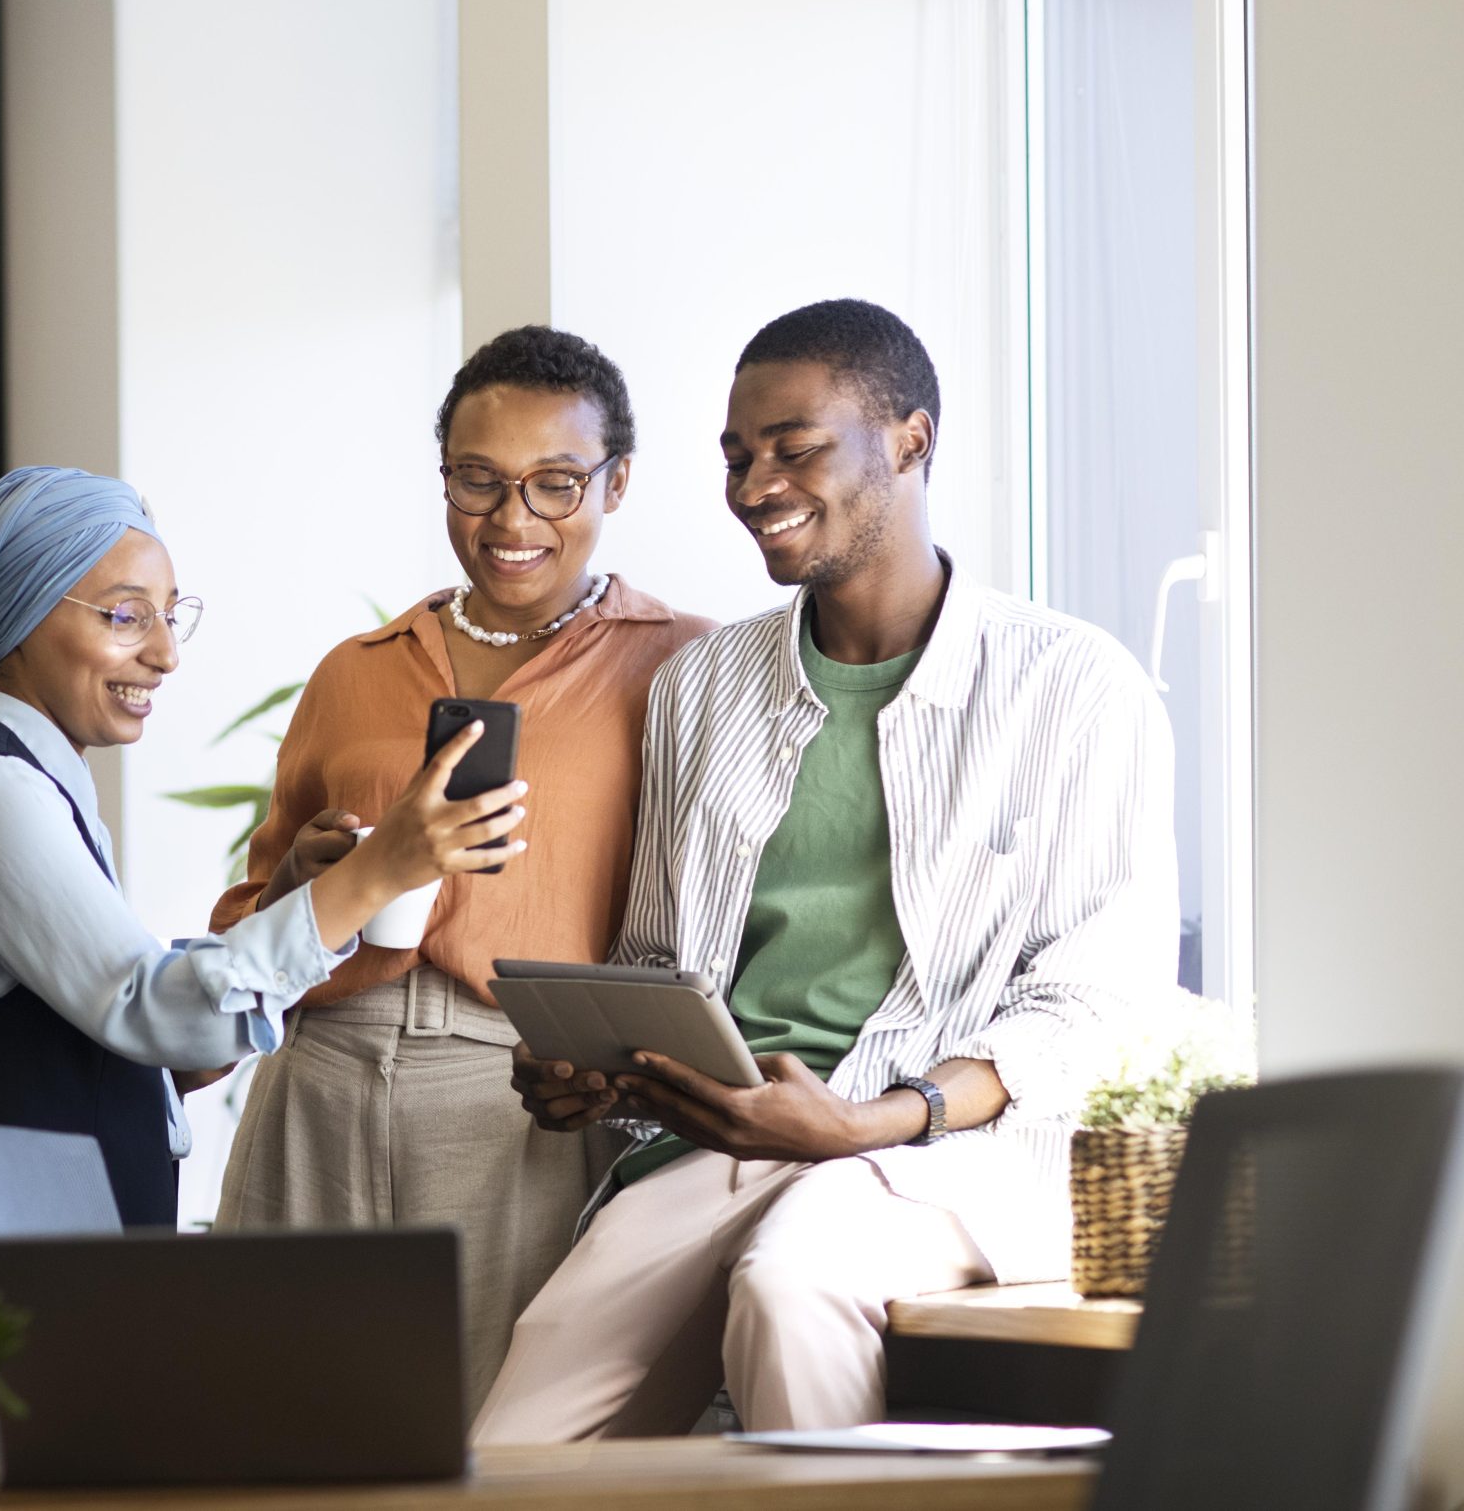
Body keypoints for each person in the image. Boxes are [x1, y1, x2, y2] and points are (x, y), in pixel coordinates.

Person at [473, 299, 1178, 1441]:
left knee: (791, 1288)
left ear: (910, 440)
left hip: (952, 1152)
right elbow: (660, 957)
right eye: (737, 456)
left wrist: (876, 1120)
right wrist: (602, 1070)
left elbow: (1092, 1003)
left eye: (794, 449)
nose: (755, 484)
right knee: (509, 1450)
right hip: (721, 1145)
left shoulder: (1074, 686)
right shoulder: (701, 687)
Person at [0, 465, 526, 1463]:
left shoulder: (39, 785)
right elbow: (156, 1015)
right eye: (122, 616)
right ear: (20, 615)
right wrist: (375, 876)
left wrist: (289, 902)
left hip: (44, 1276)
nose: (162, 654)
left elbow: (156, 1057)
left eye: (169, 616)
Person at [210, 327, 712, 1405]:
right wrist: (309, 875)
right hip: (318, 1078)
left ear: (616, 482)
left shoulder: (684, 665)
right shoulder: (356, 672)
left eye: (555, 485)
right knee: (268, 1422)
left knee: (487, 1443)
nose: (511, 521)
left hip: (516, 1098)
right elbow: (245, 923)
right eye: (477, 482)